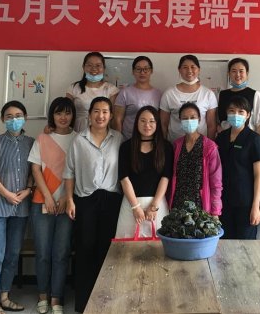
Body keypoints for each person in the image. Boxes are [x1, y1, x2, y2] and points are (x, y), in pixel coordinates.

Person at [64, 97, 123, 313]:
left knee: (107, 250)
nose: (100, 116)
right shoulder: (79, 140)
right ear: (89, 114)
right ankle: (84, 303)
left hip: (111, 200)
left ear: (111, 115)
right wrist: (70, 200)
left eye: (105, 111)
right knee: (85, 248)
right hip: (85, 200)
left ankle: (106, 301)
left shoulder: (118, 138)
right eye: (96, 111)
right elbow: (69, 172)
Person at [0, 101, 35, 314]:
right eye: (9, 116)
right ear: (2, 119)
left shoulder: (32, 142)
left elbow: (34, 171)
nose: (14, 120)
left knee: (12, 254)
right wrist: (6, 194)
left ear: (25, 118)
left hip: (20, 207)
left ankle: (4, 297)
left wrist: (28, 190)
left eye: (19, 115)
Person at [29, 97, 78, 314]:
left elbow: (79, 171)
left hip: (68, 204)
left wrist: (66, 197)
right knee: (42, 253)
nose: (63, 117)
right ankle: (43, 295)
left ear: (73, 115)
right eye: (59, 113)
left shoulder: (79, 139)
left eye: (67, 113)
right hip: (42, 202)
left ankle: (57, 297)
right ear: (52, 116)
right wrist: (48, 197)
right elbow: (35, 169)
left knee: (61, 253)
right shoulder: (42, 138)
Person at [115, 106, 174, 238]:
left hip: (157, 204)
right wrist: (135, 207)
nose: (147, 125)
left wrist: (154, 206)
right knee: (127, 247)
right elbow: (124, 178)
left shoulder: (166, 147)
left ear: (157, 124)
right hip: (130, 204)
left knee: (159, 246)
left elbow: (165, 177)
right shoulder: (126, 147)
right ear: (136, 123)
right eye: (143, 121)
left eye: (152, 121)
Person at [215, 96, 260, 239]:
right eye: (232, 111)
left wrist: (256, 206)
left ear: (248, 115)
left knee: (245, 246)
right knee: (224, 244)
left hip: (245, 203)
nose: (236, 115)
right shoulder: (221, 138)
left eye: (241, 112)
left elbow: (258, 175)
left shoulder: (254, 138)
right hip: (223, 201)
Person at [167, 102, 222, 216]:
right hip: (177, 206)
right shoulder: (176, 145)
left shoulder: (210, 147)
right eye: (185, 118)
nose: (189, 121)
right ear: (180, 120)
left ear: (199, 119)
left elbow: (216, 183)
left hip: (200, 208)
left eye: (192, 117)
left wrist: (215, 211)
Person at [160, 55, 218, 142]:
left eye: (193, 67)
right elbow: (164, 124)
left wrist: (209, 146)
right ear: (179, 70)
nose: (189, 70)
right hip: (174, 144)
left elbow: (211, 125)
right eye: (185, 67)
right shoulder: (169, 94)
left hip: (201, 144)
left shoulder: (208, 94)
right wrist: (164, 145)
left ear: (199, 69)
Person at [66, 52, 119, 132]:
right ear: (83, 67)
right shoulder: (74, 88)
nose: (94, 68)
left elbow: (114, 117)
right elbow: (66, 112)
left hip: (102, 132)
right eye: (89, 65)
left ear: (104, 68)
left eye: (98, 65)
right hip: (78, 130)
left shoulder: (111, 89)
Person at [217, 57, 260, 137]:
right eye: (234, 71)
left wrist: (255, 141)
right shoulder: (222, 95)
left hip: (248, 140)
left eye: (241, 71)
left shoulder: (255, 95)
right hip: (226, 140)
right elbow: (218, 122)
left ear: (247, 74)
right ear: (229, 74)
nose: (237, 74)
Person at [113, 56, 162, 140]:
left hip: (151, 140)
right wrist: (118, 141)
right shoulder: (125, 92)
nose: (142, 72)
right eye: (138, 69)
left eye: (146, 69)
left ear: (151, 71)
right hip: (128, 139)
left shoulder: (158, 93)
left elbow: (159, 119)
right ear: (133, 71)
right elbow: (118, 119)